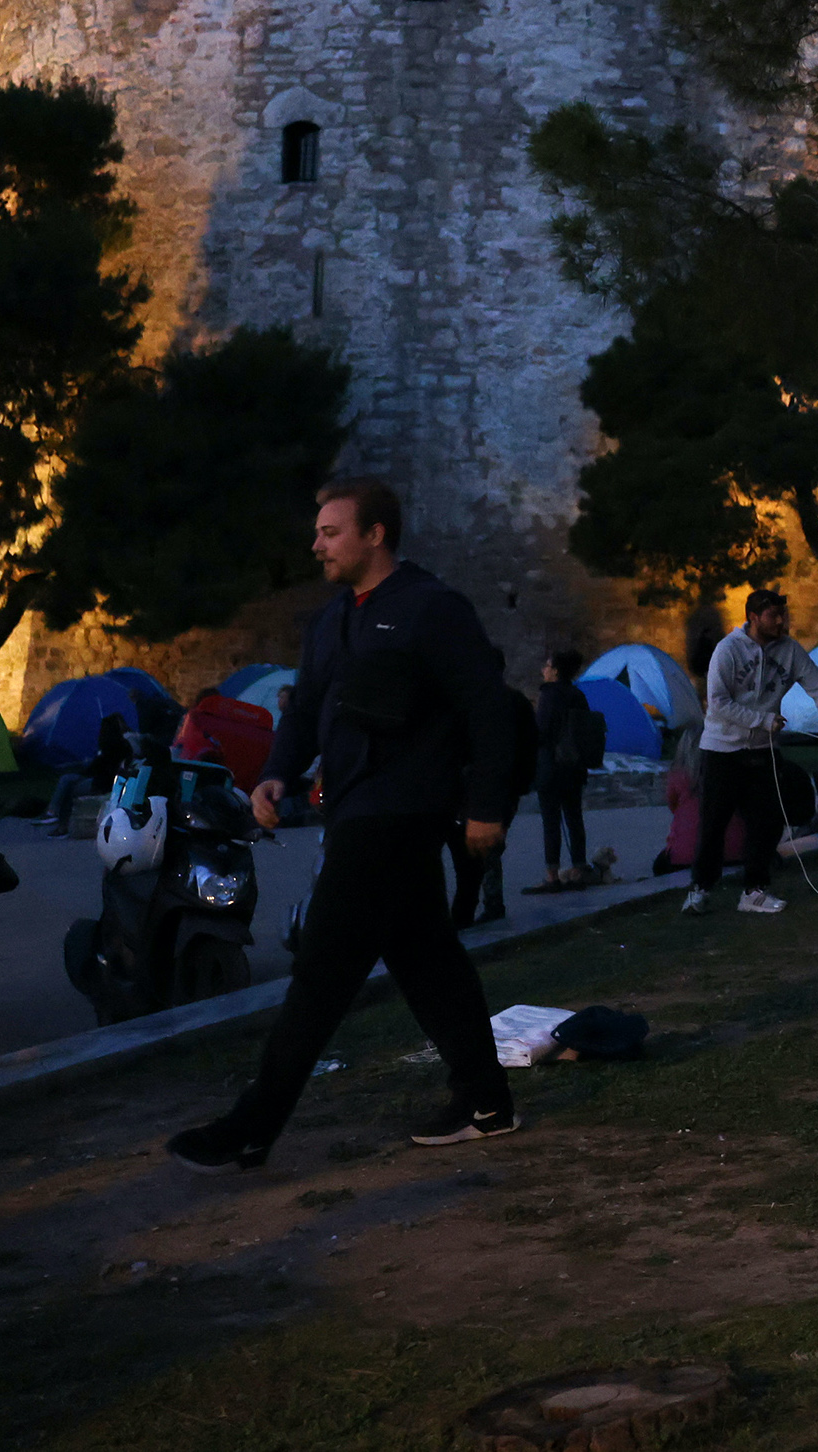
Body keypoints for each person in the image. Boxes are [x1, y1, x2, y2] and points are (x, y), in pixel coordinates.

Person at [166, 479, 520, 1172]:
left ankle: (253, 1125)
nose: (316, 545)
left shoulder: (431, 609)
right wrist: (276, 772)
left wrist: (487, 806)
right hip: (355, 806)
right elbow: (305, 711)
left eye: (331, 532)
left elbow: (490, 709)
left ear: (375, 535)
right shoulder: (332, 620)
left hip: (400, 812)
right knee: (428, 961)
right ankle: (488, 1102)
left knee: (322, 969)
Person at [689, 589, 818, 917]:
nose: (781, 621)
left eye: (783, 614)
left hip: (763, 751)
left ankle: (754, 890)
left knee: (766, 823)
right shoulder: (727, 650)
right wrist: (762, 719)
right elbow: (718, 702)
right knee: (714, 822)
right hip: (722, 749)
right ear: (754, 617)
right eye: (774, 616)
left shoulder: (790, 650)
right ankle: (700, 889)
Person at [450, 662, 538, 930]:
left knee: (479, 848)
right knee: (487, 847)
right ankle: (487, 902)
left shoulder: (481, 702)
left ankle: (485, 904)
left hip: (484, 785)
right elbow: (530, 745)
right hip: (508, 786)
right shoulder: (517, 702)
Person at [529, 650, 599, 891]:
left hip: (551, 766)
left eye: (547, 666)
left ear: (556, 670)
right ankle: (578, 869)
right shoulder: (578, 695)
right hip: (574, 767)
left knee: (551, 821)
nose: (543, 670)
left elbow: (543, 732)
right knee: (574, 818)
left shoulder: (548, 695)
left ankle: (552, 876)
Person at [46, 712, 135, 832]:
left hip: (102, 783)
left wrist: (85, 771)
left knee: (69, 787)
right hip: (108, 780)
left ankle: (59, 821)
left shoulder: (111, 748)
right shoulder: (123, 745)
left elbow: (98, 768)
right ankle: (53, 812)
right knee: (67, 779)